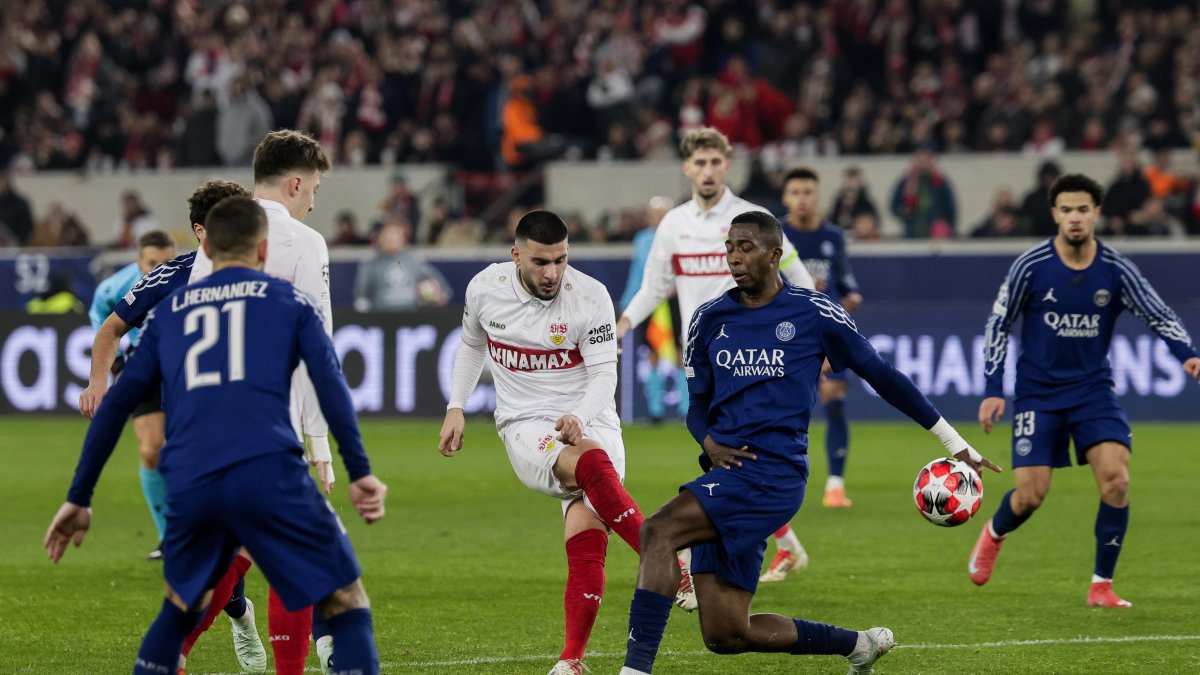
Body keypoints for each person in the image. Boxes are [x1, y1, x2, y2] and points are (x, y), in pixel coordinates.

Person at [619, 210, 1001, 675]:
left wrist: (953, 441)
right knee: (726, 634)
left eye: (746, 248)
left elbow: (883, 377)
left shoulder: (813, 312)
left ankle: (633, 671)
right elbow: (697, 405)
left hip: (773, 474)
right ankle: (858, 645)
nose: (734, 258)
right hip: (724, 474)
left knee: (657, 531)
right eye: (730, 249)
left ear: (775, 254)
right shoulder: (708, 319)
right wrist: (708, 441)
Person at [44, 196, 387, 675]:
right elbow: (330, 388)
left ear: (205, 241)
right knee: (346, 603)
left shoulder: (169, 313)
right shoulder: (289, 302)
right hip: (268, 469)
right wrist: (361, 471)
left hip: (191, 479)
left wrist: (79, 496)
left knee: (177, 609)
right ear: (263, 250)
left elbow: (117, 403)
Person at [439, 210, 683, 675]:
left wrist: (581, 416)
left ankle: (571, 660)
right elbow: (472, 344)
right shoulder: (485, 289)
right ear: (516, 256)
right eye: (540, 262)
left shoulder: (589, 295)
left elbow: (603, 372)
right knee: (590, 462)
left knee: (588, 535)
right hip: (526, 422)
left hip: (591, 415)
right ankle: (665, 554)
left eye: (560, 260)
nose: (552, 273)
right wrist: (456, 406)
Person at [972, 173, 1200, 607]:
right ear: (1055, 214)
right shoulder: (1031, 266)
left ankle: (1101, 586)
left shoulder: (1115, 269)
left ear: (1096, 213)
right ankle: (994, 532)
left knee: (1116, 479)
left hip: (1093, 391)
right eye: (1066, 210)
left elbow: (1157, 312)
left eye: (1082, 209)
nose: (1074, 218)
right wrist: (992, 387)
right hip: (1038, 394)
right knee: (1031, 495)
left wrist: (1185, 352)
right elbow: (998, 324)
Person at [616, 126, 814, 608]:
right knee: (722, 453)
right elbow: (653, 287)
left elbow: (799, 275)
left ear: (727, 165)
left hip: (752, 357)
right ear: (687, 168)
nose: (707, 171)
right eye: (698, 163)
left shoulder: (754, 219)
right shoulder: (674, 226)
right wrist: (621, 326)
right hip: (700, 356)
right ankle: (780, 544)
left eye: (715, 163)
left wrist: (819, 336)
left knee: (725, 450)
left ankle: (706, 552)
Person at [78, 179, 268, 673]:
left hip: (240, 421)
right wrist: (99, 382)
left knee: (230, 537)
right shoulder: (171, 275)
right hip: (165, 394)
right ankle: (237, 614)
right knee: (204, 540)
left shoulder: (267, 268)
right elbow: (110, 330)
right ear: (201, 231)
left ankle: (203, 635)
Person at [187, 129, 338, 674]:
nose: (315, 197)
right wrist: (318, 440)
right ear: (296, 181)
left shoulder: (217, 237)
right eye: (315, 185)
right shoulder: (304, 240)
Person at [86, 229, 176, 559]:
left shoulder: (188, 276)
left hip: (184, 366)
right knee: (152, 450)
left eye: (166, 262)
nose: (159, 270)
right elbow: (102, 325)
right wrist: (119, 362)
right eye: (152, 263)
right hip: (144, 365)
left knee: (187, 450)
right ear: (138, 261)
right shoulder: (114, 289)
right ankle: (168, 537)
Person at [619, 196, 687, 424]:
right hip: (650, 300)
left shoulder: (681, 235)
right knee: (652, 352)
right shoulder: (642, 238)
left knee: (681, 350)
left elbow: (686, 266)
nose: (656, 219)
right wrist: (629, 300)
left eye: (661, 214)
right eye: (653, 214)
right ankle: (655, 410)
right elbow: (638, 271)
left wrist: (676, 286)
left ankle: (686, 409)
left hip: (676, 299)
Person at [353, 218, 450, 311]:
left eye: (397, 235)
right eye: (389, 235)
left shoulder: (414, 261)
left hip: (411, 320)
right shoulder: (370, 265)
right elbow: (361, 299)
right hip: (380, 320)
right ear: (381, 238)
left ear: (403, 239)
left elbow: (444, 292)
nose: (393, 239)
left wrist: (436, 297)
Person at [889, 145, 957, 238]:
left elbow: (951, 209)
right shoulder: (906, 181)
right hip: (912, 233)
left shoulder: (940, 183)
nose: (923, 163)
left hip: (936, 235)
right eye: (920, 160)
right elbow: (894, 205)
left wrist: (949, 229)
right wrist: (902, 212)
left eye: (926, 160)